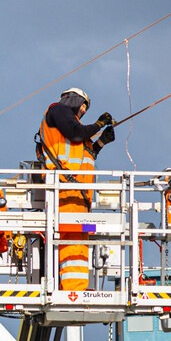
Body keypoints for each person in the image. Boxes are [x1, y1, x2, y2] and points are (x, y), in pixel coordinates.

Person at [37, 88, 115, 293]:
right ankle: (73, 289)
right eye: (83, 106)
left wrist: (101, 141)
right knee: (71, 238)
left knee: (79, 240)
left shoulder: (71, 128)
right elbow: (77, 134)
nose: (83, 111)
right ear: (73, 100)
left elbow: (86, 153)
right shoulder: (57, 110)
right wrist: (99, 124)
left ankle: (77, 287)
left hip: (80, 196)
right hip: (65, 190)